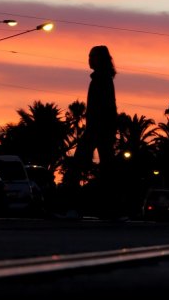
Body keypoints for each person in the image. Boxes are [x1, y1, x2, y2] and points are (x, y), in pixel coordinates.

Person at [70, 45, 119, 217]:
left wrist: (100, 128)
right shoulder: (102, 79)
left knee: (77, 168)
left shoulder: (101, 80)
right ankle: (110, 210)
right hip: (100, 129)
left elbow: (106, 107)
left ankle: (73, 207)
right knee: (107, 170)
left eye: (93, 56)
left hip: (97, 129)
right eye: (89, 56)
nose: (89, 59)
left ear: (102, 59)